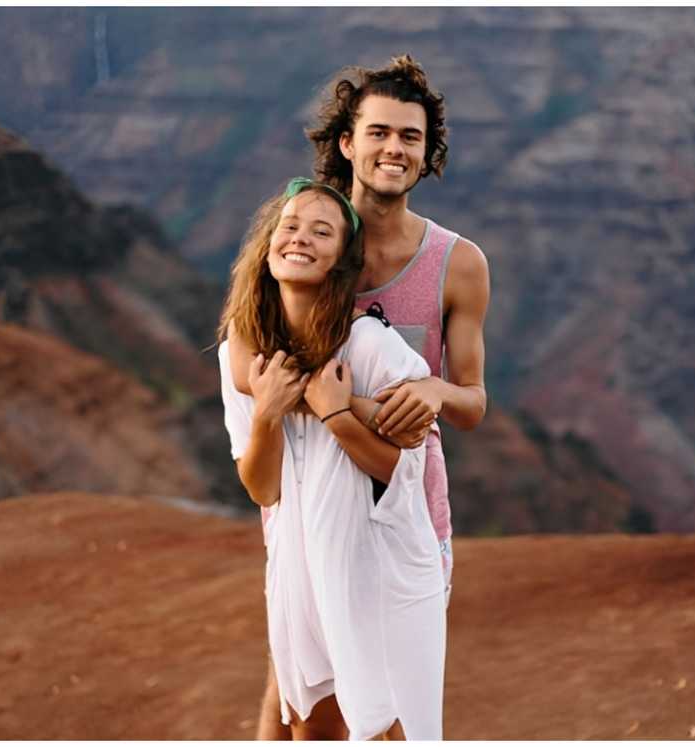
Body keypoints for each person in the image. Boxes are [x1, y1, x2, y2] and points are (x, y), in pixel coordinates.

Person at [230, 55, 491, 741]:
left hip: (404, 507)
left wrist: (431, 387)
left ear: (427, 153)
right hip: (304, 504)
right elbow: (248, 365)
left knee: (388, 700)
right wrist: (335, 407)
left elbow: (472, 403)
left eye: (410, 136)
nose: (393, 149)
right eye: (378, 132)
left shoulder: (457, 264)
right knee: (295, 692)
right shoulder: (304, 244)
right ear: (347, 142)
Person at [218, 177, 447, 740]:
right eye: (290, 226)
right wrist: (268, 412)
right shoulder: (242, 358)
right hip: (298, 561)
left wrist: (339, 414)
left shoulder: (369, 346)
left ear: (342, 260)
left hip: (375, 563)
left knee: (387, 725)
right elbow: (263, 489)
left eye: (322, 232)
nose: (300, 238)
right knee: (313, 726)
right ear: (267, 246)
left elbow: (401, 472)